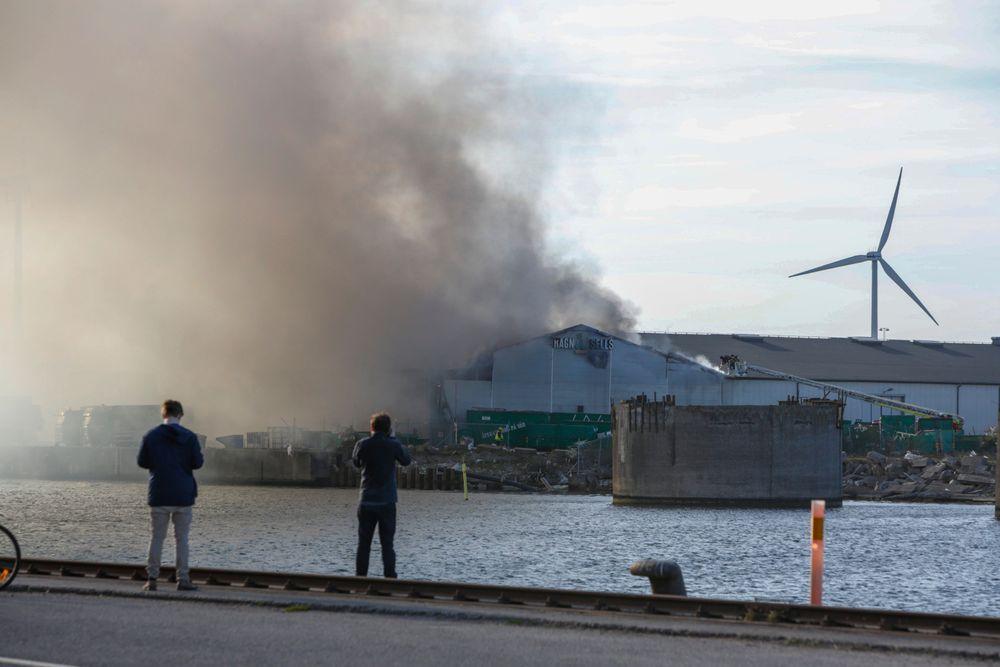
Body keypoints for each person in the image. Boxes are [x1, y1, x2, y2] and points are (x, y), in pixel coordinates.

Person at [137, 399, 204, 591]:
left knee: (157, 537)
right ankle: (183, 579)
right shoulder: (190, 437)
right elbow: (197, 463)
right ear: (180, 415)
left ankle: (152, 579)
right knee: (181, 539)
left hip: (159, 493)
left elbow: (142, 461)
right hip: (183, 494)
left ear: (163, 414)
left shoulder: (150, 436)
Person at [352, 412, 412, 578]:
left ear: (372, 427)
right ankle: (390, 578)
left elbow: (356, 463)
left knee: (364, 544)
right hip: (386, 501)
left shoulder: (362, 444)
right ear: (389, 428)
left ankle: (360, 578)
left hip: (366, 501)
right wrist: (393, 439)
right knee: (387, 544)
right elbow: (406, 460)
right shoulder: (393, 444)